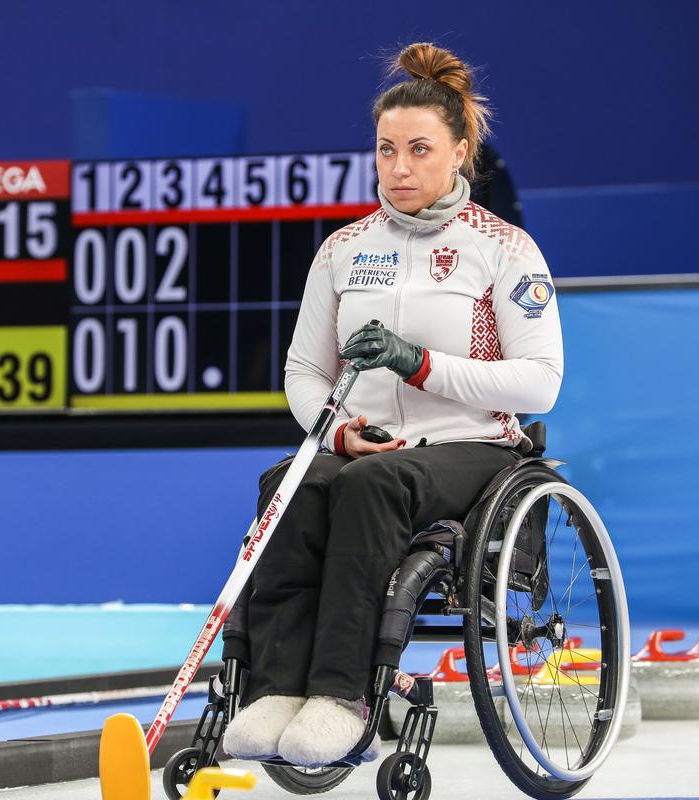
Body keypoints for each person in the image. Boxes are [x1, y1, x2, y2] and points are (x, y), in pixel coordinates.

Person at [220, 42, 563, 768]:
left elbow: (539, 383)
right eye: (385, 151)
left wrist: (422, 364)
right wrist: (336, 432)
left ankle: (344, 697)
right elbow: (305, 370)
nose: (399, 168)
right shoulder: (344, 249)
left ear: (460, 152)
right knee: (292, 482)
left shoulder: (505, 250)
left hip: (473, 448)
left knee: (379, 486)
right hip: (365, 448)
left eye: (418, 150)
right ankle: (276, 690)